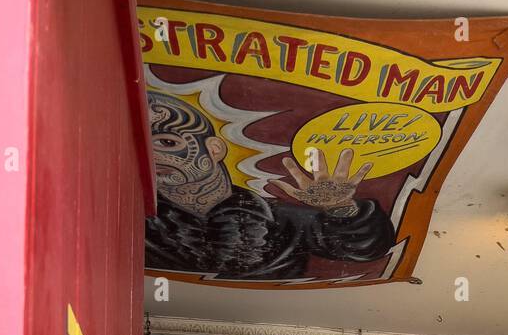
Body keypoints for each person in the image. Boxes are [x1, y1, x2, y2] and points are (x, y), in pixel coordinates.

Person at [145, 91, 395, 281]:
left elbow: (366, 248)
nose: (152, 156)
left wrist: (340, 207)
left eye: (166, 142)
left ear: (214, 149)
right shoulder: (137, 223)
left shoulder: (284, 221)